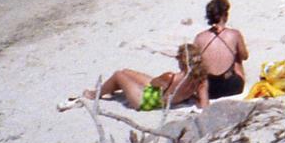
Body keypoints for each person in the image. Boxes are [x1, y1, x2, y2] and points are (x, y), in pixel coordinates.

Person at [81, 43, 209, 112]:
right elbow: (204, 105)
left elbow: (153, 83)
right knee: (126, 72)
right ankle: (111, 88)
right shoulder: (201, 80)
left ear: (182, 60)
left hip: (146, 102)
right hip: (165, 98)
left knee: (119, 75)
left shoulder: (170, 76)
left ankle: (95, 94)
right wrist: (189, 97)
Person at [194, 0, 249, 100]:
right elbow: (245, 56)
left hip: (209, 89)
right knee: (237, 59)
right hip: (232, 86)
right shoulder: (234, 34)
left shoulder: (199, 37)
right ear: (225, 15)